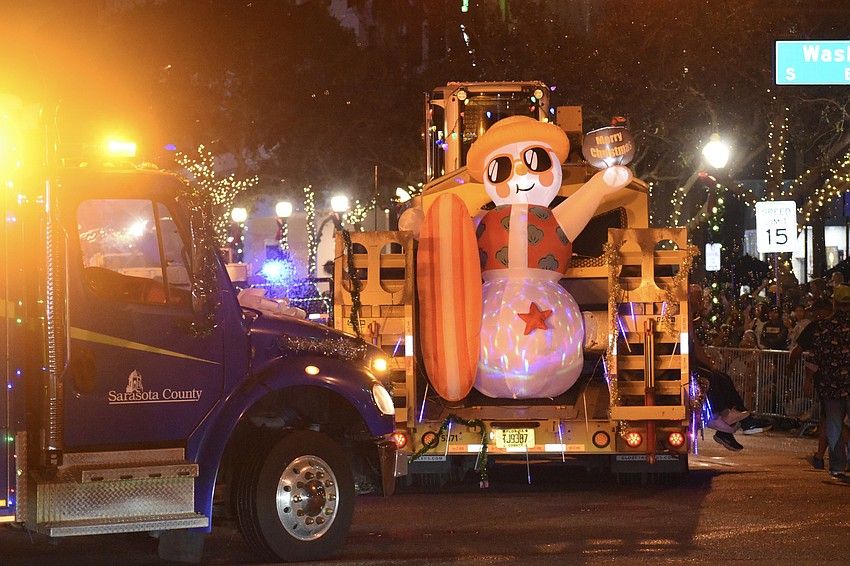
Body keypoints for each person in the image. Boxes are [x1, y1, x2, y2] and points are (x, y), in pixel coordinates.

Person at [689, 284, 771, 451]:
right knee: (711, 377)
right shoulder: (685, 313)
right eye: (698, 297)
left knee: (723, 377)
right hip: (686, 363)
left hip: (691, 360)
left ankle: (740, 422)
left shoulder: (693, 315)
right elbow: (695, 345)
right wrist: (708, 363)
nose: (702, 301)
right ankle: (722, 416)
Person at [808, 285, 850, 480]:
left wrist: (809, 379)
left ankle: (837, 465)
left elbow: (815, 356)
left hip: (831, 384)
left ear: (834, 303)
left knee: (834, 426)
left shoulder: (824, 326)